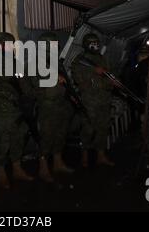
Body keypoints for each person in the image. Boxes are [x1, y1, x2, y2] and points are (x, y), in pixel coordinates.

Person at [0, 32, 34, 189]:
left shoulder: (15, 63)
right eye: (8, 44)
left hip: (19, 110)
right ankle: (1, 172)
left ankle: (17, 168)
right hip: (3, 110)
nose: (11, 47)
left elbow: (24, 82)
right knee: (3, 142)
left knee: (18, 139)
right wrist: (15, 98)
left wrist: (28, 98)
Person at [34, 32, 75, 182]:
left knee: (60, 135)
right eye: (51, 44)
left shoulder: (56, 62)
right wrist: (53, 78)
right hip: (47, 105)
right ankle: (43, 167)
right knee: (46, 137)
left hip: (60, 103)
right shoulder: (36, 62)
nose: (54, 47)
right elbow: (34, 84)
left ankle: (58, 163)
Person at [70, 33, 115, 167]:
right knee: (88, 129)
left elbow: (109, 77)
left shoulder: (102, 59)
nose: (95, 45)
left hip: (104, 100)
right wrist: (94, 72)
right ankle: (84, 156)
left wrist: (111, 82)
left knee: (103, 128)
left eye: (96, 42)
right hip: (89, 101)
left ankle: (101, 155)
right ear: (85, 44)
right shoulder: (79, 60)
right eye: (92, 42)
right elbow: (78, 80)